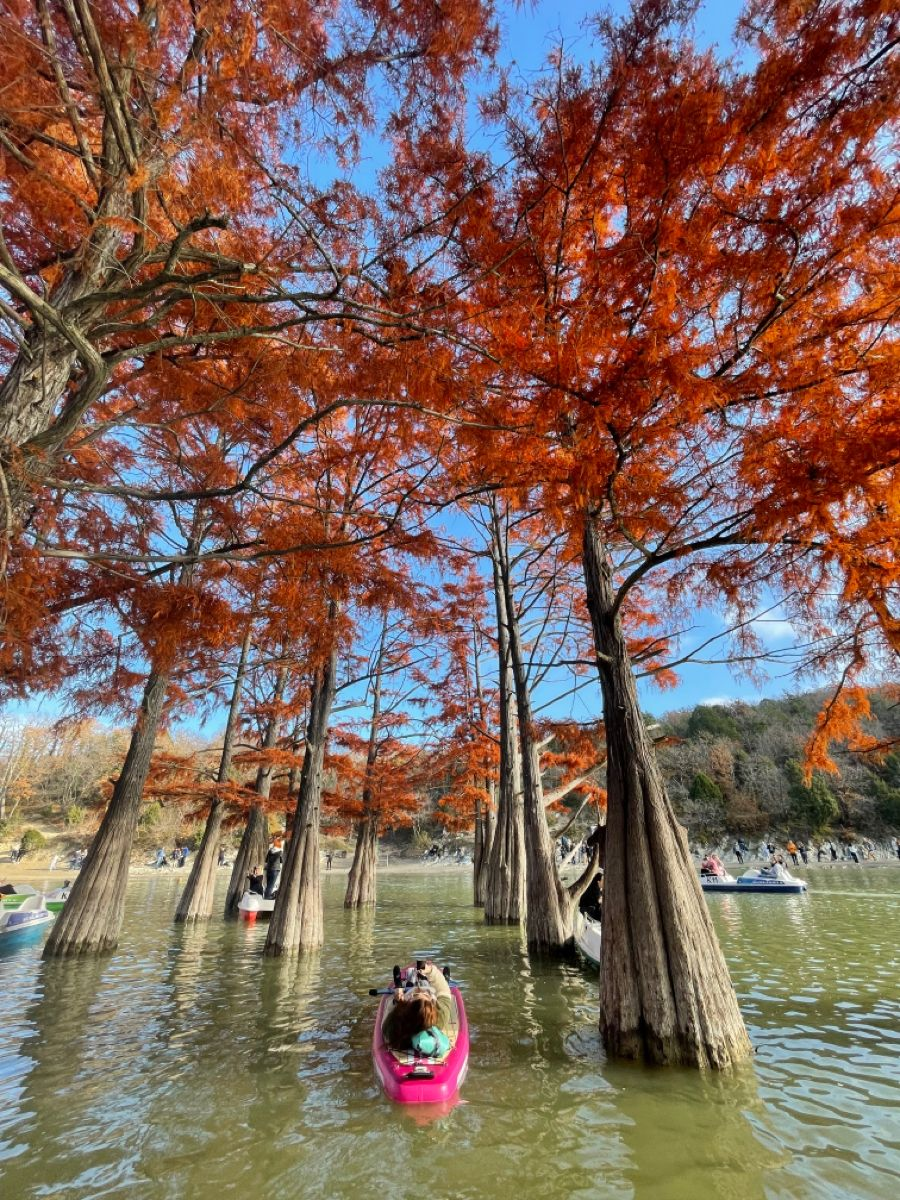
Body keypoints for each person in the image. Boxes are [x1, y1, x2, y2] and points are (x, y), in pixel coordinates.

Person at [382, 962, 452, 1055]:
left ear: (406, 1008)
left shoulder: (395, 1025)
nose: (419, 989)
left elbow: (386, 1018)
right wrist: (431, 970)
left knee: (407, 988)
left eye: (414, 995)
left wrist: (397, 1001)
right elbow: (444, 992)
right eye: (426, 995)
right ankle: (445, 979)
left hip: (404, 1005)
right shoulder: (441, 1016)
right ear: (432, 1004)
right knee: (439, 986)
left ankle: (398, 984)